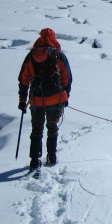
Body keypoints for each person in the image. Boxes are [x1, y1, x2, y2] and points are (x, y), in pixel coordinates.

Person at [18, 28, 72, 172]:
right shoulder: (58, 56)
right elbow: (67, 78)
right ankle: (52, 157)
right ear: (53, 39)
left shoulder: (31, 56)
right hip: (55, 99)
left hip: (36, 100)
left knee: (37, 130)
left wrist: (22, 101)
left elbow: (23, 79)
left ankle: (35, 160)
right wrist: (65, 97)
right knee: (52, 128)